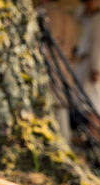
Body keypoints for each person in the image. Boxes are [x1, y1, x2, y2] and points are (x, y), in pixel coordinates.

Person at [37, 0, 77, 143]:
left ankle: (58, 142)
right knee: (61, 108)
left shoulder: (43, 13)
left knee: (53, 107)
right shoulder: (68, 18)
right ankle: (63, 141)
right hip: (63, 66)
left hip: (50, 66)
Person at [75, 0, 100, 137]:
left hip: (95, 65)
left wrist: (95, 68)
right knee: (92, 103)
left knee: (94, 103)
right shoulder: (91, 18)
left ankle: (99, 135)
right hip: (90, 63)